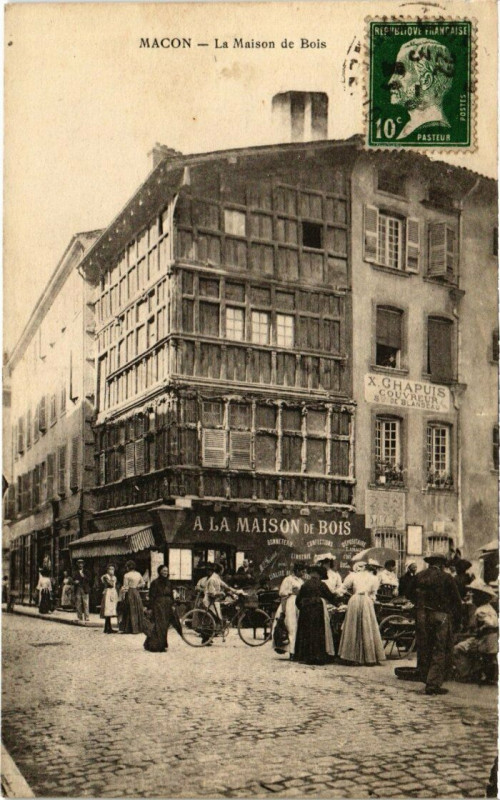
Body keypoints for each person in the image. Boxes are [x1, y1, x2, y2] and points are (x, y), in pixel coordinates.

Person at [407, 553, 462, 695]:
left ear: (430, 563)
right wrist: (458, 619)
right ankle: (433, 684)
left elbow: (408, 593)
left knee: (424, 646)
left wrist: (419, 603)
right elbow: (456, 600)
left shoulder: (419, 576)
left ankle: (425, 678)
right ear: (442, 564)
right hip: (440, 615)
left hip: (422, 615)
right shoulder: (446, 577)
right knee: (439, 648)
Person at [388, 38, 455, 140]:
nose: (390, 81)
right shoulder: (411, 128)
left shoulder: (430, 129)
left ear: (426, 81)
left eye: (400, 72)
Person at [339, 559, 386, 666]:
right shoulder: (374, 578)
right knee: (367, 626)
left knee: (353, 626)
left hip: (355, 600)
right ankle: (368, 657)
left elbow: (343, 588)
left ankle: (351, 656)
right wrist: (371, 599)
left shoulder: (353, 576)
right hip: (366, 600)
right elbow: (373, 594)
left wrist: (344, 594)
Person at [453, 580, 498, 683]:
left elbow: (491, 624)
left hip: (485, 640)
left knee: (457, 648)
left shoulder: (481, 610)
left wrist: (481, 629)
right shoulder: (489, 608)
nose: (472, 596)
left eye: (475, 594)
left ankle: (466, 673)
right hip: (490, 640)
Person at [294, 564, 338, 665]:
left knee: (306, 632)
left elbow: (298, 600)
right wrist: (337, 602)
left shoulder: (305, 585)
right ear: (319, 575)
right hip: (317, 610)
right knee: (317, 632)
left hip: (306, 610)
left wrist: (303, 608)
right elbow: (330, 597)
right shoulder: (321, 585)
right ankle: (318, 656)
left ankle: (306, 657)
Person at [144, 565, 182, 652]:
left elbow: (171, 595)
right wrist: (150, 607)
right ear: (160, 572)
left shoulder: (169, 583)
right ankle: (157, 646)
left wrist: (173, 604)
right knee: (159, 625)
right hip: (158, 606)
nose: (165, 572)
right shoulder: (155, 583)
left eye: (166, 571)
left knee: (165, 626)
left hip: (167, 605)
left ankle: (156, 644)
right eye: (164, 571)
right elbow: (152, 596)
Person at [277, 563, 306, 660]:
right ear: (297, 570)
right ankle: (292, 652)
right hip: (290, 604)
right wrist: (291, 592)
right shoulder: (288, 579)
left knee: (298, 627)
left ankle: (298, 651)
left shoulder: (301, 581)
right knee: (291, 627)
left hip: (299, 604)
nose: (303, 573)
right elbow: (282, 593)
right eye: (302, 571)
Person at [119, 560, 146, 634]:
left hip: (130, 592)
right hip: (136, 592)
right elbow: (143, 583)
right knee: (137, 608)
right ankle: (138, 628)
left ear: (128, 567)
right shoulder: (138, 574)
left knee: (129, 609)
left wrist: (122, 595)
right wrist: (137, 586)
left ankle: (129, 628)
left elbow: (125, 587)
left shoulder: (126, 575)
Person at [100, 565, 119, 634]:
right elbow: (110, 584)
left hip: (113, 593)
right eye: (110, 569)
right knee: (107, 609)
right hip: (108, 593)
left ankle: (108, 627)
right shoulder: (105, 577)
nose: (111, 570)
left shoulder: (114, 577)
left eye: (113, 569)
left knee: (111, 610)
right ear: (107, 570)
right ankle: (107, 628)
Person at [72, 559, 91, 624]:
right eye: (79, 564)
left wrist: (84, 576)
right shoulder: (75, 572)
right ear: (77, 565)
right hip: (78, 588)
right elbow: (72, 580)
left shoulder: (87, 572)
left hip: (85, 589)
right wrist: (75, 582)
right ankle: (79, 616)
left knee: (86, 603)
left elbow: (90, 579)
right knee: (78, 603)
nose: (80, 565)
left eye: (81, 563)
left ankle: (87, 616)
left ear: (83, 564)